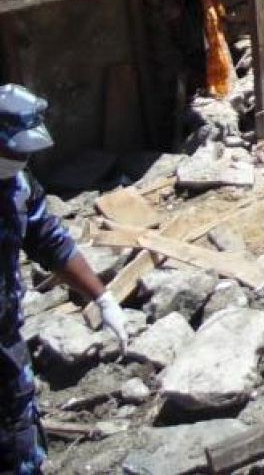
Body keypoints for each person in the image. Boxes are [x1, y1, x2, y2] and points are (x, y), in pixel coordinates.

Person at [0, 85, 127, 473]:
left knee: (18, 430)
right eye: (14, 151)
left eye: (26, 153)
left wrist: (102, 298)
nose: (20, 159)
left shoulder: (17, 187)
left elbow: (50, 241)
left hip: (4, 339)